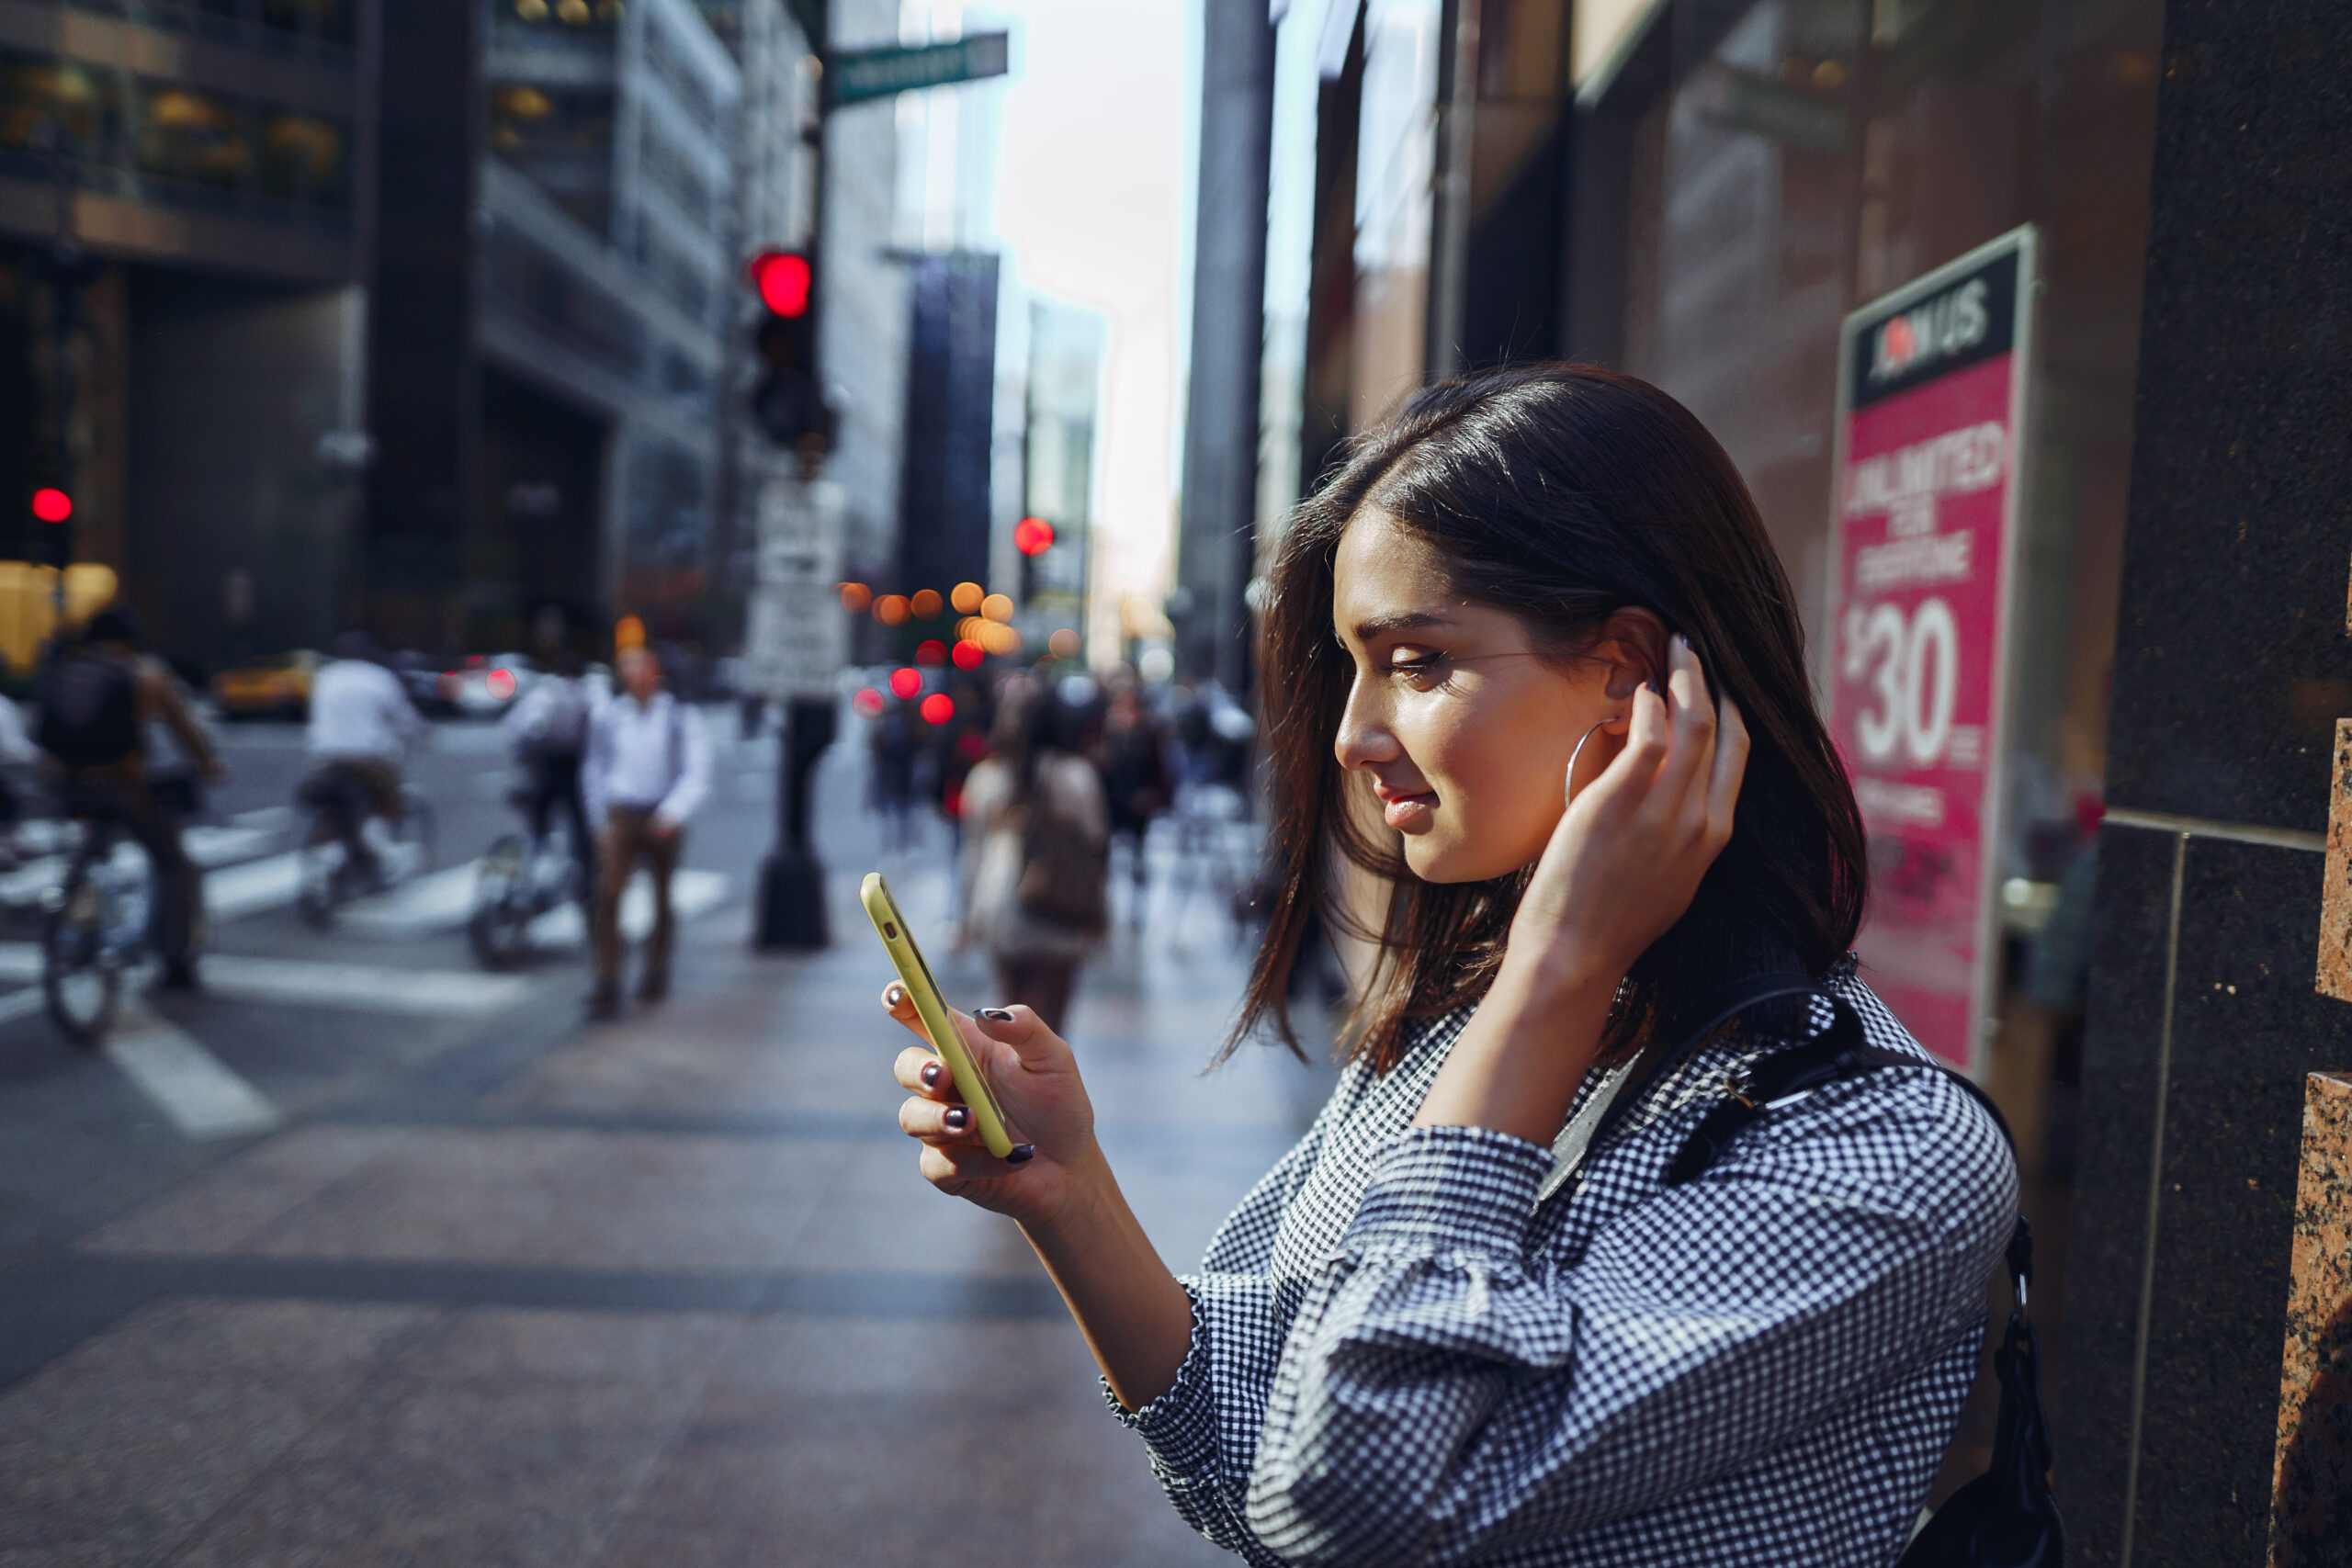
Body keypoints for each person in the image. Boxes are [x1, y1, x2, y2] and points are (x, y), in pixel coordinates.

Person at [883, 366, 2016, 1566]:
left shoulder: (1878, 1153)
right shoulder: (1465, 1016)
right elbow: (1248, 1451)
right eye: (1353, 664)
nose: (1352, 732)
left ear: (1629, 673)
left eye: (1418, 660)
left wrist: (1559, 965)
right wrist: (1071, 1190)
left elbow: (1344, 1497)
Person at [36, 604, 222, 990]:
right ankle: (176, 961)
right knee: (173, 863)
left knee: (92, 847)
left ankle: (74, 915)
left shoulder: (66, 671)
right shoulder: (146, 676)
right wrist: (208, 765)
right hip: (122, 788)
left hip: (67, 787)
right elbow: (185, 730)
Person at [954, 675, 1107, 1033]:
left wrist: (967, 915)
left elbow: (972, 850)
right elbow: (1095, 846)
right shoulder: (1077, 776)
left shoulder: (987, 778)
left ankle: (1012, 1083)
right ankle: (1046, 1082)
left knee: (1009, 1011)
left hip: (1001, 902)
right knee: (1051, 1024)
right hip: (1061, 903)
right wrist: (1101, 911)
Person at [582, 644, 709, 1018]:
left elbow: (696, 770)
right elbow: (594, 768)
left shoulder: (678, 716)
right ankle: (608, 979)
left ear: (655, 672)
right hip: (622, 811)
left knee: (661, 899)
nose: (634, 676)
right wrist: (599, 822)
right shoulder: (610, 716)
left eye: (640, 667)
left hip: (662, 812)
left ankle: (655, 972)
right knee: (609, 894)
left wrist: (673, 812)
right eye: (627, 668)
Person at [304, 630, 428, 886]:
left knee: (331, 807)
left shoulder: (325, 676)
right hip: (368, 758)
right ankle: (382, 850)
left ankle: (334, 852)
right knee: (388, 799)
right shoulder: (379, 677)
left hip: (325, 757)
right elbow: (406, 719)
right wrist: (424, 731)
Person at [500, 649, 596, 891]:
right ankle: (583, 881)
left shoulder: (542, 692)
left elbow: (515, 730)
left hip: (543, 767)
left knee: (539, 828)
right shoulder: (579, 693)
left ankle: (533, 874)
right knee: (578, 829)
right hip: (565, 767)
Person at [1091, 665, 1174, 927]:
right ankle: (1101, 905)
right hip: (1110, 800)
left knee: (1138, 855)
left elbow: (1161, 767)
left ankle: (1137, 910)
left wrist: (1156, 797)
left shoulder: (1148, 729)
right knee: (1103, 854)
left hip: (1138, 800)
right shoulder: (1104, 727)